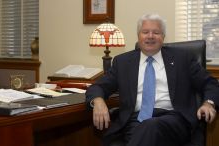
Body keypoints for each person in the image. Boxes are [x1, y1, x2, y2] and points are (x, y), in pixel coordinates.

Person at [85, 13, 219, 146]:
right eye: (145, 32)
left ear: (163, 37)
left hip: (174, 120)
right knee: (144, 130)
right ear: (138, 36)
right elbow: (97, 87)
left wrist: (208, 103)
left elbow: (210, 83)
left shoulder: (182, 58)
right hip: (134, 121)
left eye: (156, 32)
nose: (150, 36)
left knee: (150, 126)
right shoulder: (123, 62)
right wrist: (98, 101)